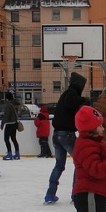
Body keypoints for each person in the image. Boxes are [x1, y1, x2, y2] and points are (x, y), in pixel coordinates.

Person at [43, 72, 87, 204]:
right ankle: (76, 194)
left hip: (57, 135)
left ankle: (50, 194)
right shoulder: (71, 94)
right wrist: (85, 101)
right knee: (80, 163)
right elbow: (72, 104)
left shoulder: (65, 94)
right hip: (67, 134)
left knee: (59, 165)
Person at [0, 91, 20, 160]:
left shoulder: (8, 105)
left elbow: (6, 116)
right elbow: (15, 114)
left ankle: (9, 153)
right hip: (14, 123)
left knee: (6, 139)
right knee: (13, 138)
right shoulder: (13, 104)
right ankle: (17, 153)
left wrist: (2, 123)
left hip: (9, 124)